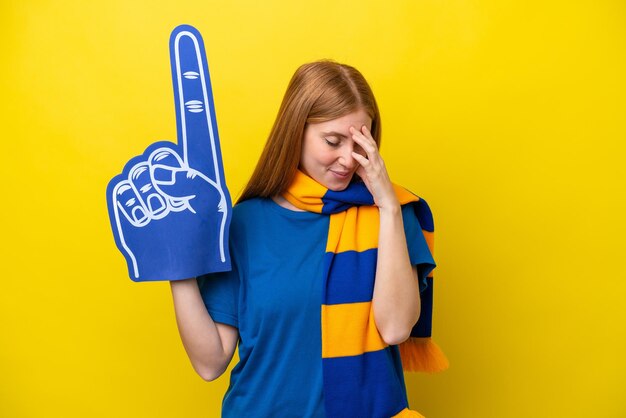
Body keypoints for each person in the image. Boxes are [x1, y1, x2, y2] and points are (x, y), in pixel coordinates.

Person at [169, 60, 438, 417]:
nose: (348, 159)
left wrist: (387, 205)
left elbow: (395, 328)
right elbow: (210, 362)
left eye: (360, 142)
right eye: (333, 140)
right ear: (295, 131)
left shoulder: (392, 215)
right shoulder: (245, 223)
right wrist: (175, 264)